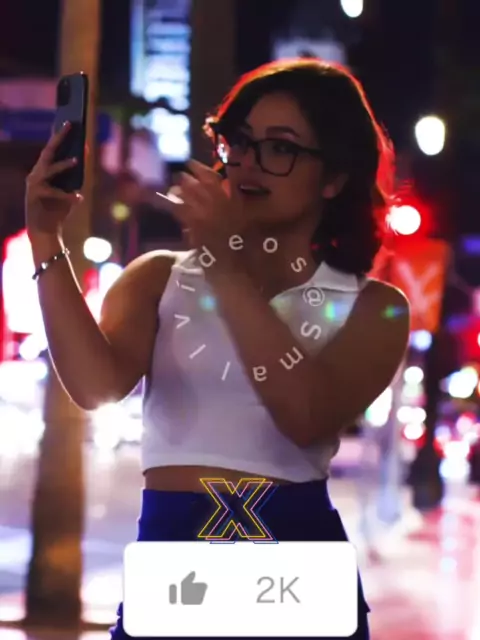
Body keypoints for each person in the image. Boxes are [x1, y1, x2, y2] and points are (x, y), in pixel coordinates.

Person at [25, 58, 410, 639]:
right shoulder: (159, 276)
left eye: (280, 148)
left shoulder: (375, 306)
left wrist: (226, 264)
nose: (249, 162)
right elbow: (94, 386)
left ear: (334, 177)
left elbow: (304, 416)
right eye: (240, 142)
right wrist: (45, 236)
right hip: (175, 579)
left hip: (299, 584)